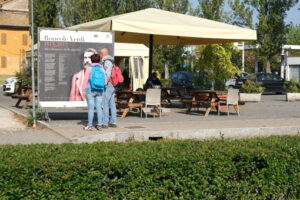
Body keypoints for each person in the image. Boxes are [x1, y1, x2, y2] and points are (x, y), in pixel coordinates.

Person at [82, 54, 106, 131]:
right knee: (99, 108)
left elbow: (85, 80)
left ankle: (89, 126)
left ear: (91, 60)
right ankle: (99, 125)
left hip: (90, 90)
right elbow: (105, 82)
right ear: (99, 60)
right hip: (100, 90)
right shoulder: (102, 68)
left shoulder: (89, 68)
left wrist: (83, 90)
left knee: (91, 109)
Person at [99, 48, 117, 128]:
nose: (99, 56)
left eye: (100, 54)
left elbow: (108, 73)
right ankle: (113, 122)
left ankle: (105, 123)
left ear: (102, 54)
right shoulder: (111, 61)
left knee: (105, 103)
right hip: (112, 84)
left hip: (108, 84)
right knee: (112, 103)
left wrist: (105, 83)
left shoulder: (106, 62)